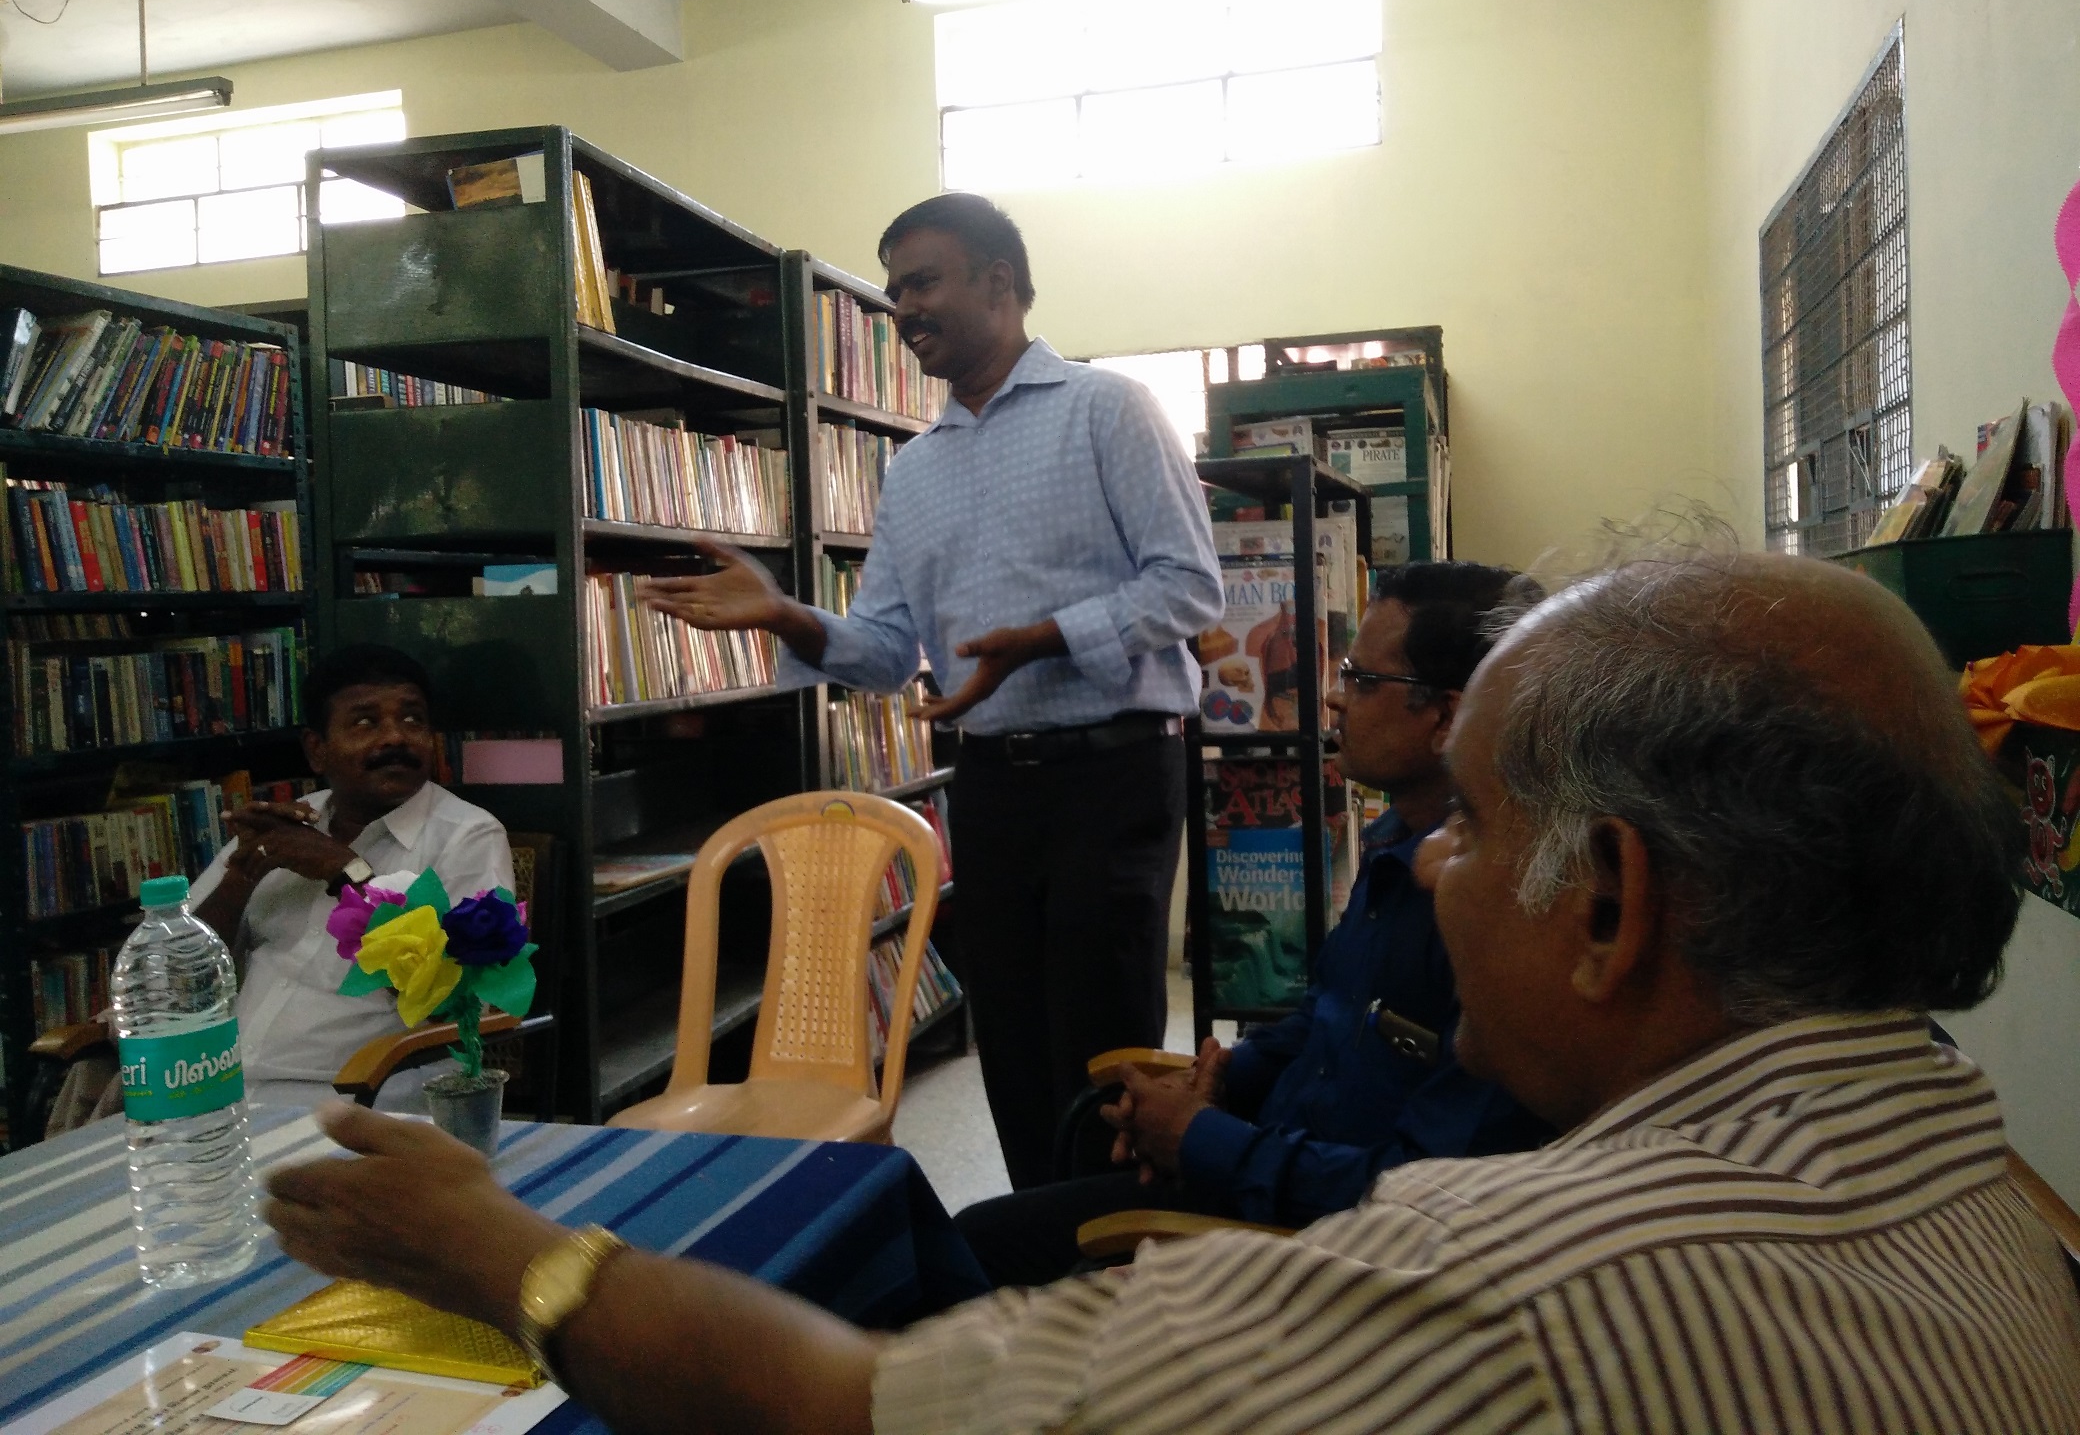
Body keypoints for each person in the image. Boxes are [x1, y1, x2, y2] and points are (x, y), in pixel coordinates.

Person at [265, 548, 2080, 1433]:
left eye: (1482, 827)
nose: (1432, 859)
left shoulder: (1518, 1296)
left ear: (1605, 908)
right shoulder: (1982, 1194)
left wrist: (503, 1253)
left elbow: (854, 1422)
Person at [634, 194, 1222, 1188]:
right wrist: (784, 614)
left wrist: (1039, 642)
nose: (904, 308)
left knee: (1103, 1039)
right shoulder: (913, 473)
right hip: (988, 783)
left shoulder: (1105, 409)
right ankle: (1043, 1244)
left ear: (999, 283)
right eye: (895, 289)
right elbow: (879, 654)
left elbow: (1187, 586)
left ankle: (1124, 1261)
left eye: (924, 282)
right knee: (1015, 1040)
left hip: (1111, 773)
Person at [954, 563, 1550, 1286]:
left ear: (1449, 717)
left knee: (972, 1252)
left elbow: (1415, 1197)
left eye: (1361, 680)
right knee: (968, 1239)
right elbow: (1324, 1014)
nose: (1332, 696)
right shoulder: (1396, 838)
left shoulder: (1505, 923)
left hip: (1308, 1241)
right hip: (1264, 1163)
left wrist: (1201, 1141)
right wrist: (1225, 1076)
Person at [188, 643, 514, 1110]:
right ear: (316, 750)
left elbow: (463, 1004)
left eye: (412, 720)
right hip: (218, 1088)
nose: (395, 738)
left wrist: (348, 873)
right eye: (365, 722)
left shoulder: (467, 836)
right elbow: (184, 974)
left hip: (361, 1098)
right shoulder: (289, 828)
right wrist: (239, 877)